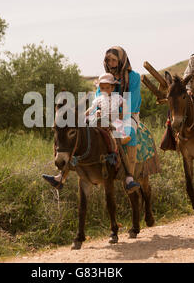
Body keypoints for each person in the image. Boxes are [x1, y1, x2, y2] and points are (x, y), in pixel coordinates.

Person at [42, 46, 142, 194]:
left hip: (126, 115)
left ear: (122, 60)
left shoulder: (133, 77)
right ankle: (61, 176)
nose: (111, 63)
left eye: (114, 60)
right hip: (102, 115)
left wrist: (115, 115)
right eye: (108, 60)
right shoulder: (104, 77)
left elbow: (131, 103)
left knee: (127, 134)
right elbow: (97, 100)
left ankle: (129, 177)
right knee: (78, 131)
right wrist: (89, 115)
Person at [85, 72, 132, 145]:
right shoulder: (99, 99)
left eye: (107, 88)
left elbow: (124, 104)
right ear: (100, 88)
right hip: (103, 118)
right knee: (93, 123)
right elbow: (92, 108)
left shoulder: (116, 97)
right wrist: (85, 114)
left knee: (118, 124)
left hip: (113, 118)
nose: (105, 90)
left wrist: (122, 114)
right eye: (102, 88)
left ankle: (122, 138)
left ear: (112, 88)